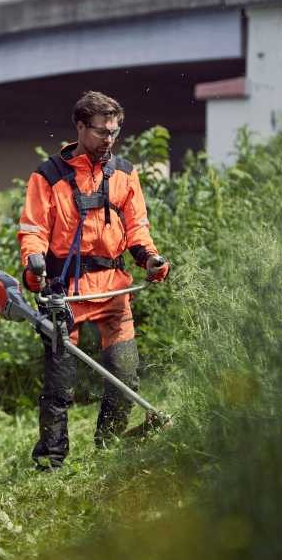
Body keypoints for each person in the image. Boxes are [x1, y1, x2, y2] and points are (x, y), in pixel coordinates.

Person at [17, 90, 170, 469]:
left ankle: (108, 450)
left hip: (115, 289)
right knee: (59, 388)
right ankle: (50, 463)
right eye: (102, 132)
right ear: (81, 127)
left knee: (124, 378)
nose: (109, 140)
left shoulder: (124, 174)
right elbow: (33, 229)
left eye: (114, 133)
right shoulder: (48, 176)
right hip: (64, 295)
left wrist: (150, 259)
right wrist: (34, 261)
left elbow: (137, 228)